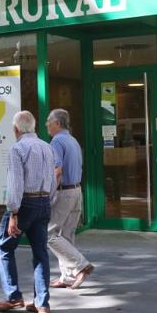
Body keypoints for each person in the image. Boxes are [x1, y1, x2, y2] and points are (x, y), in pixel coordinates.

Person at [0, 111, 55, 313]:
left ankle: (14, 296)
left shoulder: (17, 149)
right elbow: (53, 181)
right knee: (40, 253)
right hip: (44, 201)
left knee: (4, 247)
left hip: (25, 204)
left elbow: (15, 184)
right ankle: (42, 303)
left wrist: (13, 213)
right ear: (34, 126)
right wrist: (47, 202)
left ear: (16, 129)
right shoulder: (47, 147)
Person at [45, 109, 94, 290]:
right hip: (76, 191)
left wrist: (48, 194)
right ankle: (66, 277)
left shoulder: (57, 141)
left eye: (48, 121)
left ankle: (81, 266)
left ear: (57, 123)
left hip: (64, 193)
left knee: (48, 234)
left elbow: (57, 171)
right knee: (66, 235)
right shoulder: (73, 140)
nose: (46, 125)